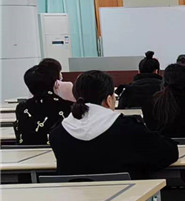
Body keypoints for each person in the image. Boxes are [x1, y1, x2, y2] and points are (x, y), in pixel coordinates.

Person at [49, 70, 178, 178]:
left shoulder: (58, 133)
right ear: (109, 100)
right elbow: (168, 152)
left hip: (75, 199)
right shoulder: (128, 128)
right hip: (128, 197)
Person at [14, 64, 71, 145]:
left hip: (25, 150)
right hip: (58, 150)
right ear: (54, 83)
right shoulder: (67, 105)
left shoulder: (21, 107)